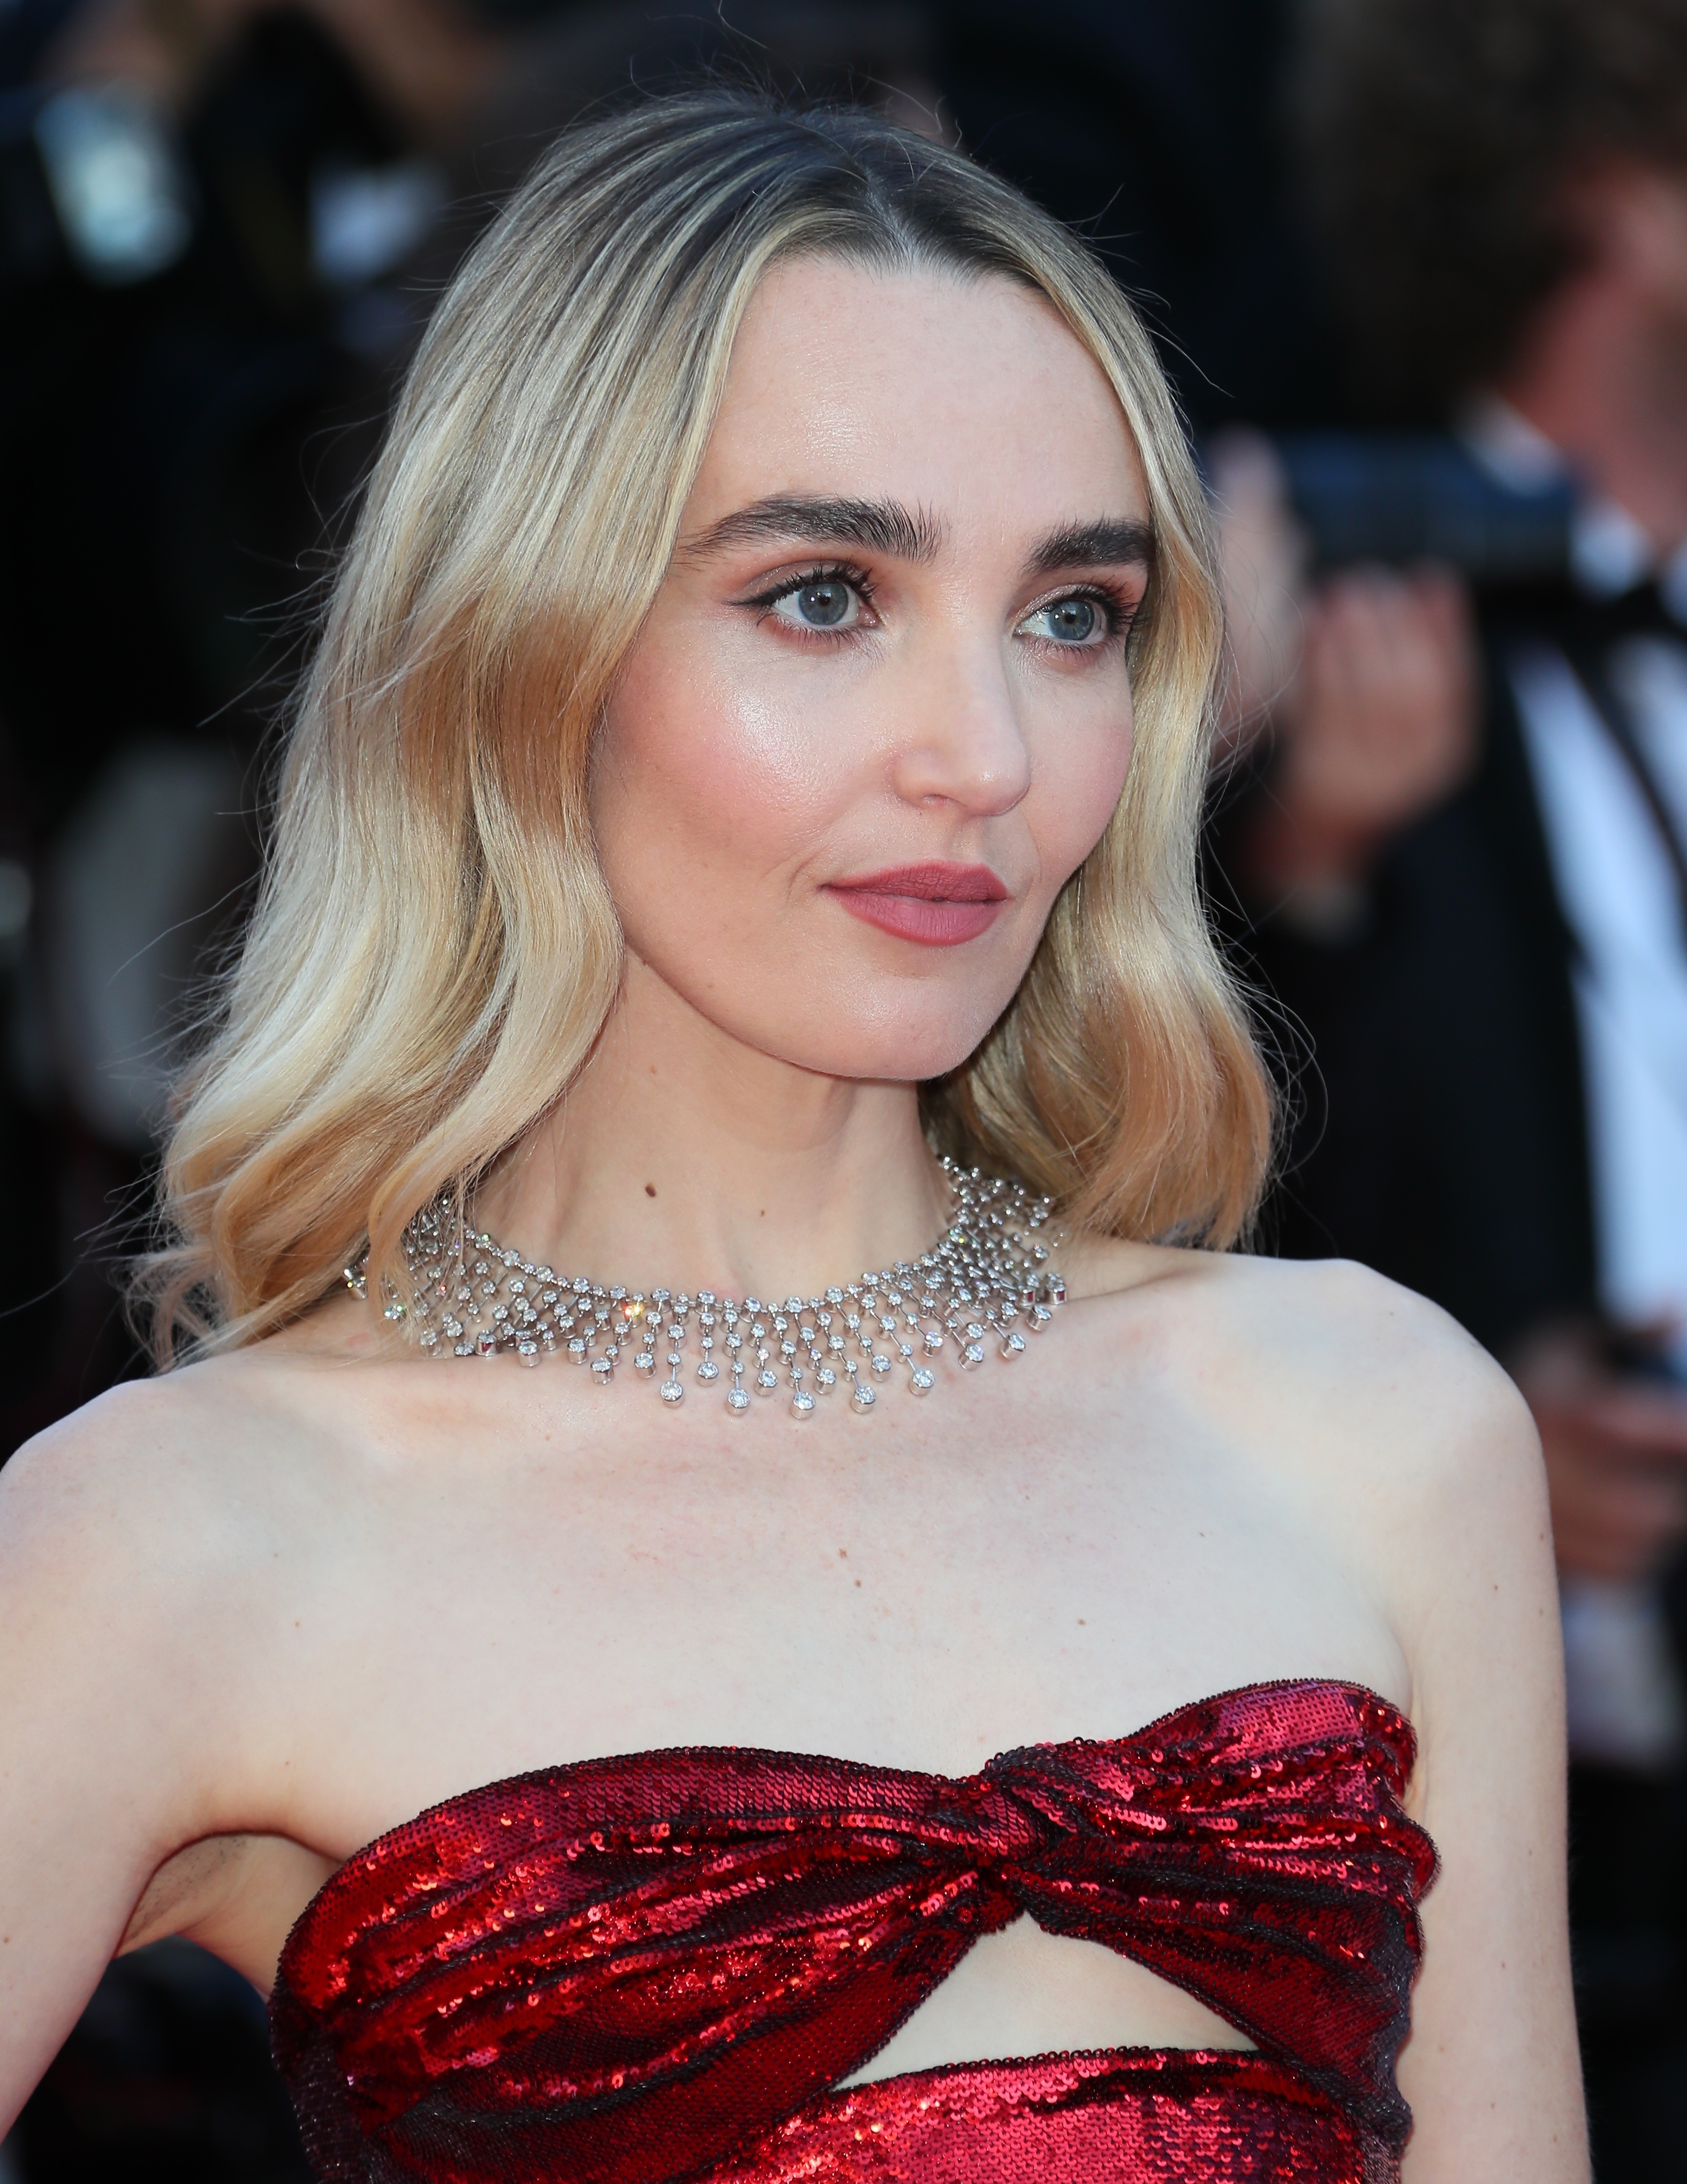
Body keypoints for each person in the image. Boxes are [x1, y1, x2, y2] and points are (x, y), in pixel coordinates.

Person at [0, 91, 1582, 2182]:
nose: (984, 757)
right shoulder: (187, 1534)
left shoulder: (1371, 1424)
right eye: (827, 595)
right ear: (520, 652)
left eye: (1071, 614)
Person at [1221, 0, 1687, 2171]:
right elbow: (1112, 1187)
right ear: (1599, 168)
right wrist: (1300, 855)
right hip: (1488, 1793)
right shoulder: (1312, 599)